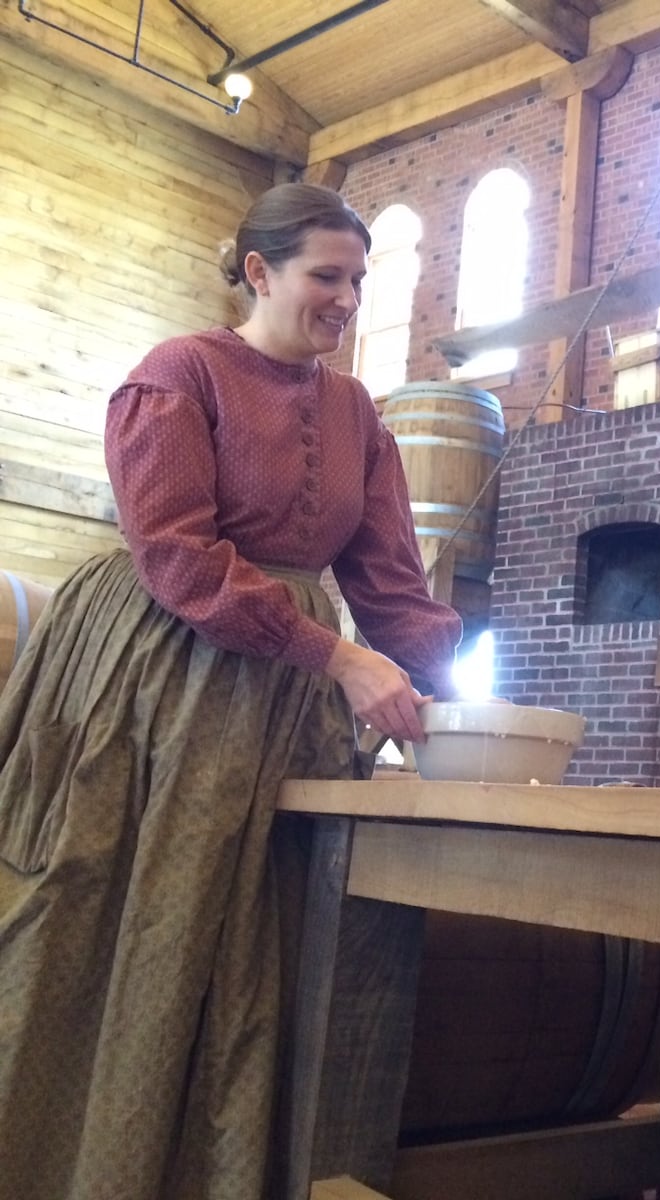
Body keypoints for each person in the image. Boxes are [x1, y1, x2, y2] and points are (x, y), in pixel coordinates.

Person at [0, 182, 462, 1200]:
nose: (346, 299)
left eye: (358, 280)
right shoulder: (178, 374)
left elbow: (388, 583)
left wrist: (465, 695)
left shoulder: (356, 413)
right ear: (259, 272)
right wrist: (339, 661)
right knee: (114, 919)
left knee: (252, 942)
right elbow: (174, 553)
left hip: (279, 700)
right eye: (325, 276)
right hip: (159, 673)